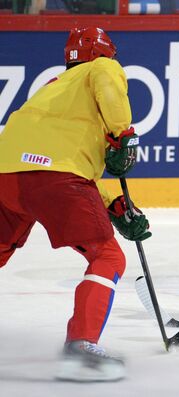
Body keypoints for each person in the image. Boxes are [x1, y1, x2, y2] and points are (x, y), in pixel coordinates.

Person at [0, 27, 151, 382]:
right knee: (108, 257)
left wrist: (114, 204)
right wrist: (123, 134)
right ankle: (82, 348)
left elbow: (57, 163)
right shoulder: (101, 68)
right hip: (54, 179)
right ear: (107, 54)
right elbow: (59, 173)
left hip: (6, 175)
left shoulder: (55, 89)